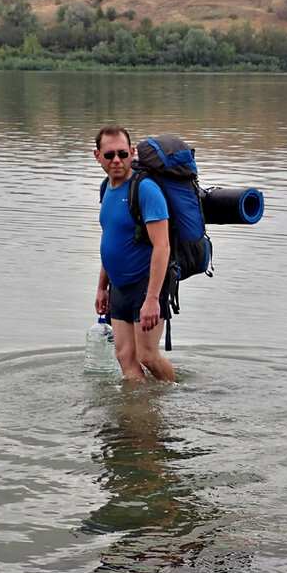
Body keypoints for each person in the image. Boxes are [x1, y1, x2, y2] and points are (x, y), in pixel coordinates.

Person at [94, 124, 175, 381]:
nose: (116, 160)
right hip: (119, 288)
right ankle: (136, 417)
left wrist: (152, 299)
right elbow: (112, 241)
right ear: (98, 156)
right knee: (126, 359)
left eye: (122, 153)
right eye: (109, 155)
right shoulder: (106, 188)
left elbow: (162, 246)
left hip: (145, 284)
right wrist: (102, 287)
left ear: (131, 152)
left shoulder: (145, 190)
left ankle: (177, 398)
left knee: (147, 356)